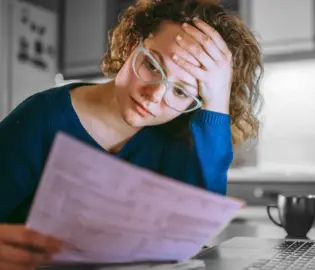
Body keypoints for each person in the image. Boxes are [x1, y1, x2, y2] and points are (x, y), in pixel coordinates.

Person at [0, 0, 263, 268]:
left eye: (181, 92)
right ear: (130, 46)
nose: (154, 96)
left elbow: (194, 232)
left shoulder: (176, 138)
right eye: (152, 66)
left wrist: (218, 99)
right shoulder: (40, 118)